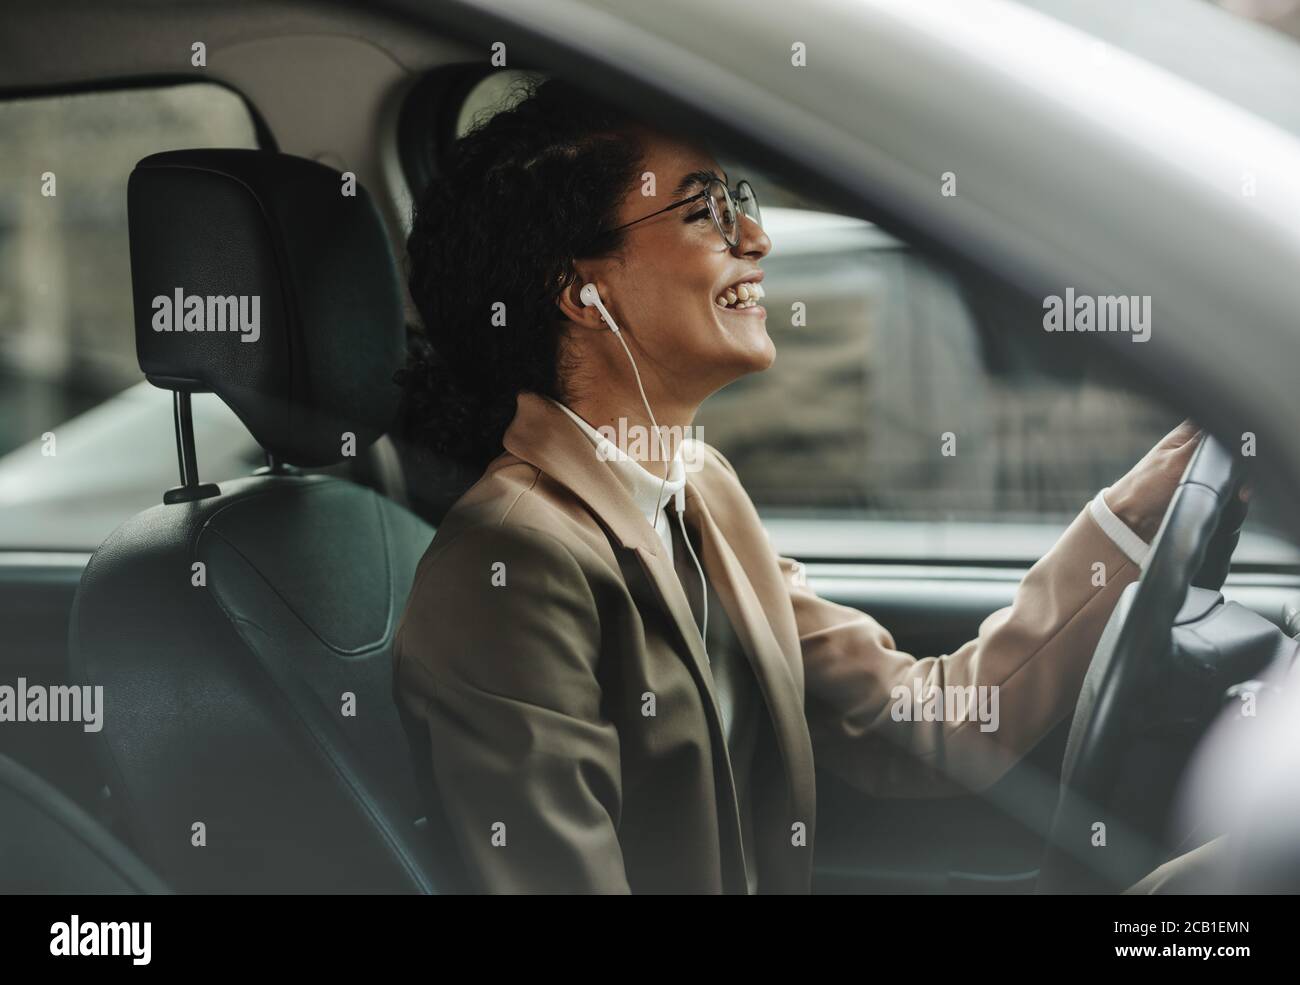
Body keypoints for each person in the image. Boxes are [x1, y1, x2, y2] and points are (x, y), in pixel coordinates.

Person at [393, 76, 1197, 893]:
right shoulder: (510, 562)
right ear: (582, 291)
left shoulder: (699, 490)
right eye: (704, 209)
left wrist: (1136, 516)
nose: (757, 236)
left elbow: (937, 726)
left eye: (737, 199)